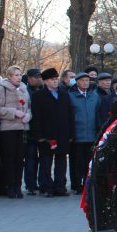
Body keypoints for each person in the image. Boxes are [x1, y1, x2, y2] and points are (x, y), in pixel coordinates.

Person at [30, 67, 75, 197]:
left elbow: (70, 115)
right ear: (45, 81)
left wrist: (71, 134)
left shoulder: (64, 94)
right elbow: (36, 117)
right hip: (46, 135)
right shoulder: (38, 96)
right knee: (46, 162)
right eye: (52, 79)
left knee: (61, 161)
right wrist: (39, 136)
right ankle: (47, 187)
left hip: (63, 134)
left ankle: (60, 186)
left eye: (56, 79)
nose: (55, 81)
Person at [0, 65, 32, 199]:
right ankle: (9, 186)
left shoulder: (23, 88)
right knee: (9, 159)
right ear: (9, 76)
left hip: (22, 128)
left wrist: (28, 115)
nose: (18, 77)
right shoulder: (1, 89)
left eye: (20, 74)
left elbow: (28, 107)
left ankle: (18, 186)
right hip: (8, 129)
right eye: (15, 75)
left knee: (20, 159)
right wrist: (13, 112)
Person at [69, 71, 100, 193]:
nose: (85, 83)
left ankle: (88, 183)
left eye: (87, 80)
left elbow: (98, 114)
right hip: (77, 135)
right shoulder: (71, 96)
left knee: (89, 161)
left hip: (92, 135)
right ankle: (76, 185)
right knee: (77, 162)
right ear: (77, 82)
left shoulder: (94, 96)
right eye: (82, 81)